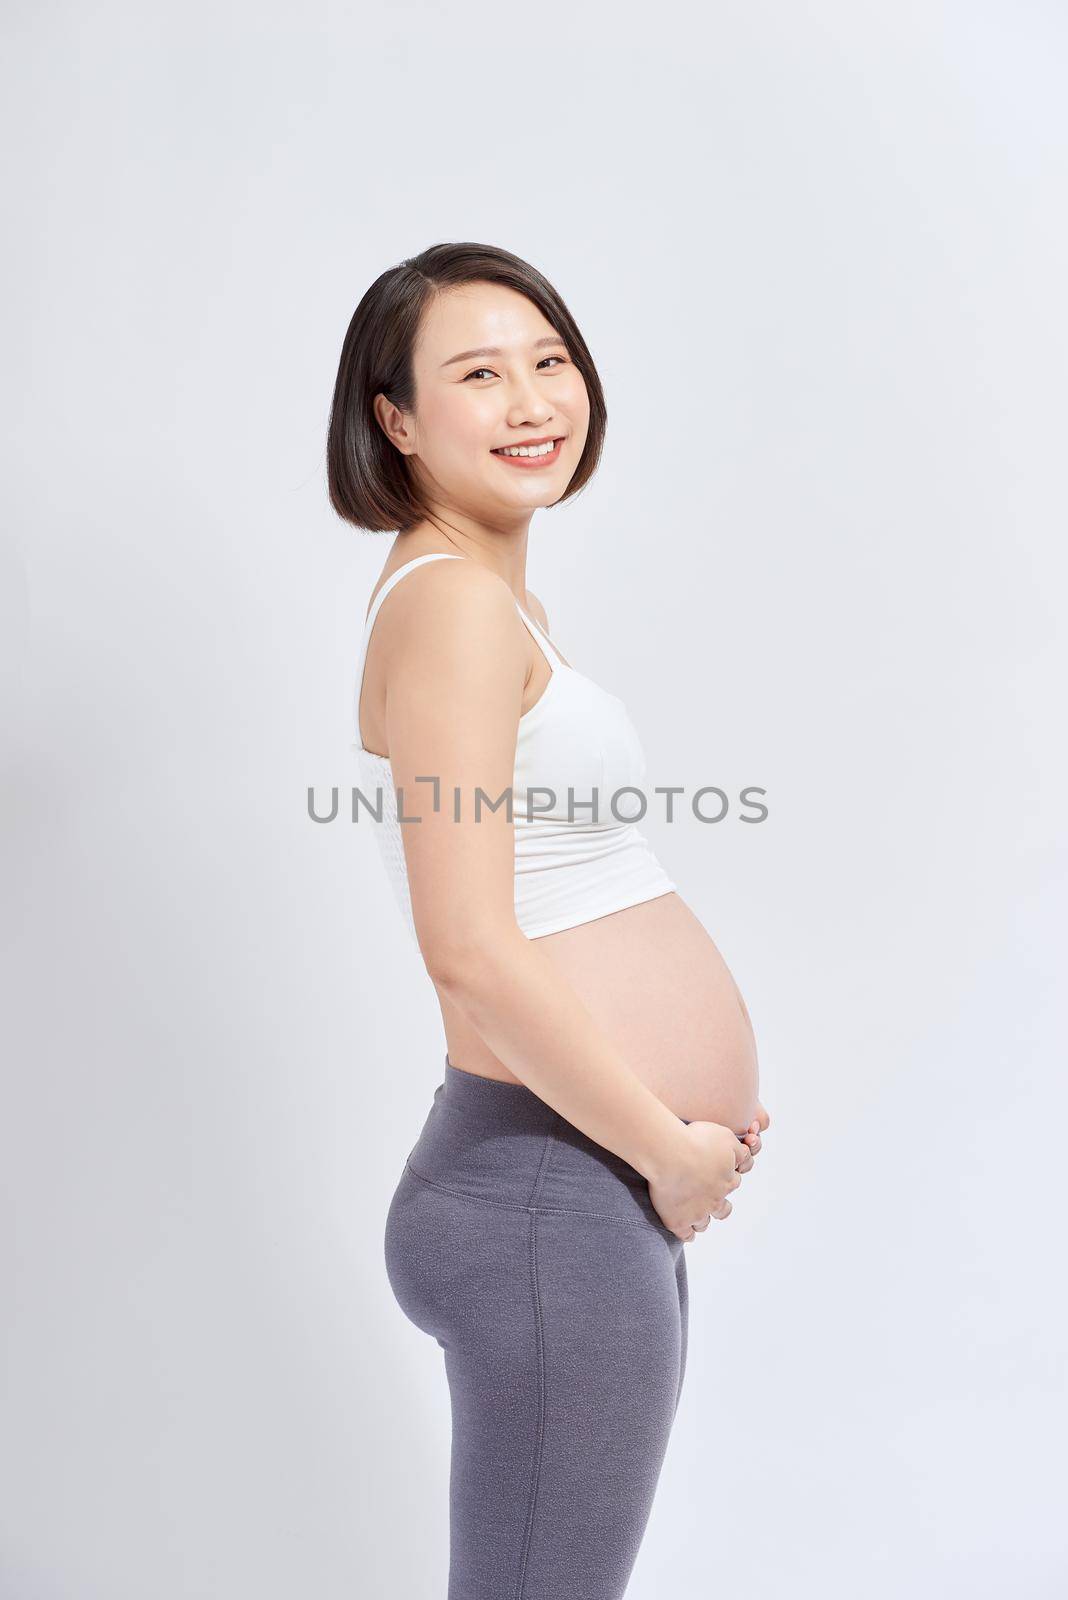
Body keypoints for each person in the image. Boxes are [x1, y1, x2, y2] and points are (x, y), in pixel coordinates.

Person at [327, 241, 771, 1600]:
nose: (532, 402)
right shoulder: (455, 603)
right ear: (394, 420)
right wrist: (669, 1153)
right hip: (545, 1189)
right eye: (478, 374)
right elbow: (465, 944)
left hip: (567, 1187)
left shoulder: (486, 595)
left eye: (550, 360)